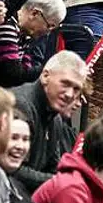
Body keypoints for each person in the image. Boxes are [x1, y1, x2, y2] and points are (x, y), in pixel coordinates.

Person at [10, 51, 86, 193]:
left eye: (76, 89)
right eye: (65, 84)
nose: (70, 94)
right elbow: (12, 169)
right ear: (45, 76)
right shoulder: (20, 106)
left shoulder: (55, 118)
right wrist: (63, 182)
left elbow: (53, 167)